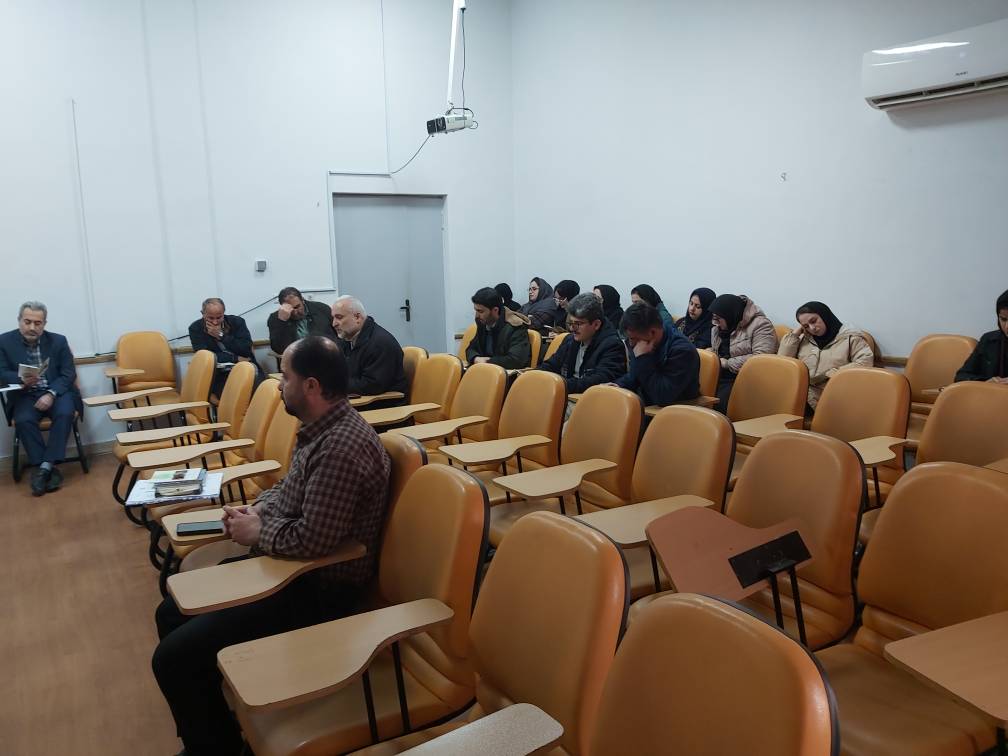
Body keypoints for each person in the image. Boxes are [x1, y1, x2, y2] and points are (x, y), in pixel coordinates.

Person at [151, 336, 391, 756]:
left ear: (311, 386)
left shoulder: (341, 448)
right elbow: (288, 488)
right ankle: (212, 730)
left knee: (173, 658)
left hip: (317, 590)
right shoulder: (319, 429)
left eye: (286, 377)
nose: (279, 385)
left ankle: (214, 747)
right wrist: (257, 509)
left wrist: (257, 532)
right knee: (171, 612)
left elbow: (313, 540)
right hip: (286, 569)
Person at [0, 301, 81, 496]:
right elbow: (1, 372)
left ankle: (43, 468)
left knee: (65, 413)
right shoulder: (4, 341)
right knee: (23, 419)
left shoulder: (58, 341)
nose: (32, 327)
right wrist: (20, 379)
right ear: (19, 321)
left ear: (44, 324)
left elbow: (68, 373)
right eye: (27, 322)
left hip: (56, 392)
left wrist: (51, 394)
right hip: (25, 394)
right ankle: (47, 469)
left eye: (38, 323)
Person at [778, 301, 874, 410]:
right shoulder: (804, 339)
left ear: (824, 315)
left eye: (813, 321)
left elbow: (864, 363)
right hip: (805, 394)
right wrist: (794, 335)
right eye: (806, 326)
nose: (812, 328)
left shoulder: (851, 337)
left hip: (834, 396)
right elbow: (783, 363)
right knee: (774, 399)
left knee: (780, 406)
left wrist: (830, 374)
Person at [538, 293, 627, 393]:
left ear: (596, 324)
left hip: (590, 398)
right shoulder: (570, 339)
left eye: (578, 324)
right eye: (570, 323)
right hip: (566, 392)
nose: (572, 328)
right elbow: (551, 365)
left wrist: (558, 384)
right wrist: (535, 376)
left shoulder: (612, 345)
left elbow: (599, 380)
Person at [616, 302, 700, 406]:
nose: (631, 343)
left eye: (633, 338)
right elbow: (634, 377)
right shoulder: (642, 343)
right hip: (647, 404)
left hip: (675, 409)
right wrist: (617, 386)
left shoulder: (682, 351)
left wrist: (642, 358)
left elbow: (662, 396)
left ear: (652, 332)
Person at [330, 296, 408, 402]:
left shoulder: (380, 343)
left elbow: (372, 385)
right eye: (333, 318)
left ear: (357, 317)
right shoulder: (347, 339)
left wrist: (333, 384)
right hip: (361, 400)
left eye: (339, 317)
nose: (334, 323)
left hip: (384, 405)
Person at [708, 294, 778, 412]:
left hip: (747, 378)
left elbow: (762, 359)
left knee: (717, 402)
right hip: (721, 374)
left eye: (718, 319)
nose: (715, 323)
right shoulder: (717, 328)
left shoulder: (761, 325)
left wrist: (727, 363)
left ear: (730, 315)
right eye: (714, 318)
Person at [188, 298, 263, 397]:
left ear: (224, 313)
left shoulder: (237, 322)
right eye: (210, 318)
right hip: (219, 373)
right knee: (234, 394)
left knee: (260, 393)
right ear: (203, 314)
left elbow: (246, 349)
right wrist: (235, 358)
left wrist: (221, 335)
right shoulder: (196, 328)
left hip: (247, 366)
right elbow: (206, 357)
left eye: (219, 317)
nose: (215, 322)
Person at [467, 287, 532, 369]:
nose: (477, 316)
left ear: (495, 310)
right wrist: (475, 358)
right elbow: (471, 349)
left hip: (507, 374)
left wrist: (488, 361)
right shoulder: (483, 323)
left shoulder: (515, 327)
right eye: (476, 310)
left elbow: (516, 360)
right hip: (486, 370)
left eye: (480, 311)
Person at [955, 289, 1008, 384]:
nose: (1007, 326)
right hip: (989, 393)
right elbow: (961, 376)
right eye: (1003, 319)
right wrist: (985, 382)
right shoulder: (989, 340)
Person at [266, 286, 337, 354]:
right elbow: (278, 349)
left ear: (302, 300)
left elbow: (337, 334)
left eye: (297, 307)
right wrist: (282, 322)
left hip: (326, 353)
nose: (295, 312)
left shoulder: (321, 309)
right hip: (296, 357)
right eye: (290, 309)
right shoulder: (275, 319)